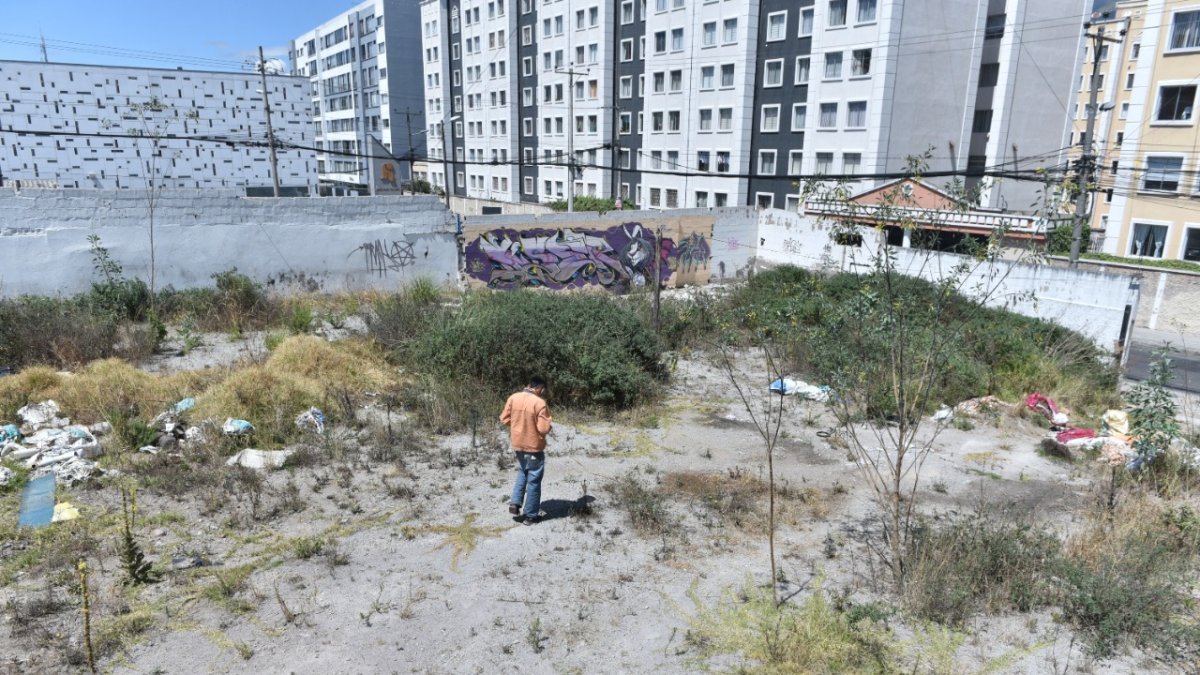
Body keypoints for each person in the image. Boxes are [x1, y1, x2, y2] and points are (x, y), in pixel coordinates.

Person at [500, 376, 552, 525]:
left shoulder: (513, 397)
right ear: (540, 388)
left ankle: (515, 504)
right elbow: (543, 428)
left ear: (528, 385)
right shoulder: (539, 403)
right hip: (533, 447)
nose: (543, 392)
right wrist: (548, 425)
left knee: (523, 471)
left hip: (518, 444)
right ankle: (530, 516)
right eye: (543, 390)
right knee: (534, 479)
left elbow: (504, 419)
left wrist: (517, 425)